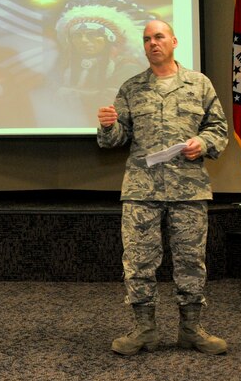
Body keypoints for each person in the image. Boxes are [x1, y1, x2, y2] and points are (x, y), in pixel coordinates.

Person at [96, 19, 229, 356]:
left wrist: (202, 142)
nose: (152, 43)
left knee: (190, 261)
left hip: (188, 190)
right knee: (139, 262)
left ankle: (191, 328)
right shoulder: (131, 88)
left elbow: (219, 129)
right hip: (142, 190)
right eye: (146, 39)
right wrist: (107, 126)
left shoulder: (199, 84)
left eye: (158, 37)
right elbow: (116, 140)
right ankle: (144, 329)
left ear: (173, 41)